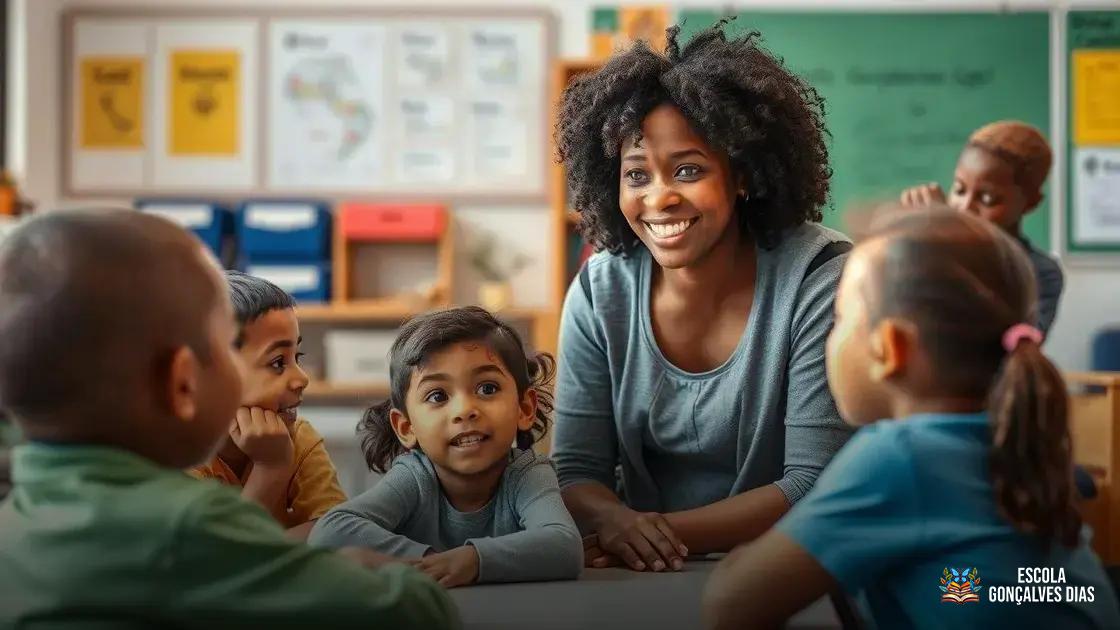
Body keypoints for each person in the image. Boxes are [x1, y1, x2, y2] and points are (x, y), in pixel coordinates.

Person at [0, 210, 456, 628]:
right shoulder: (185, 523)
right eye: (220, 348)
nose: (299, 378)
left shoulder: (16, 516)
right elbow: (413, 612)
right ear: (183, 383)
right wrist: (384, 572)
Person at [703, 209, 1119, 629]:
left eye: (840, 319)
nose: (830, 336)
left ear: (890, 348)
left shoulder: (901, 458)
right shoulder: (1016, 436)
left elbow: (730, 604)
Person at [551, 20, 852, 572]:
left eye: (687, 170)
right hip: (638, 572)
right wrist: (617, 522)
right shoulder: (600, 290)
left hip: (789, 568)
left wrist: (641, 533)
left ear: (741, 175)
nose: (659, 198)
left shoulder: (821, 279)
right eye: (636, 175)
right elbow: (576, 469)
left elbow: (813, 483)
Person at [310, 307, 582, 587]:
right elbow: (331, 531)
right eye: (438, 395)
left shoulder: (527, 474)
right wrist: (432, 563)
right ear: (406, 427)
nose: (464, 410)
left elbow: (564, 544)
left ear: (524, 408)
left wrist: (472, 560)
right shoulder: (415, 476)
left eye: (487, 389)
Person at [190, 271, 346, 540]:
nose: (302, 378)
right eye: (277, 363)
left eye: (297, 356)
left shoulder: (299, 438)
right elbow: (212, 565)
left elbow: (340, 530)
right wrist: (271, 468)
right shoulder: (178, 459)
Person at [900, 121, 1063, 334]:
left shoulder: (1040, 272)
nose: (965, 207)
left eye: (987, 199)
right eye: (959, 190)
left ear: (1031, 203)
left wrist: (948, 253)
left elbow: (1014, 347)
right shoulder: (929, 250)